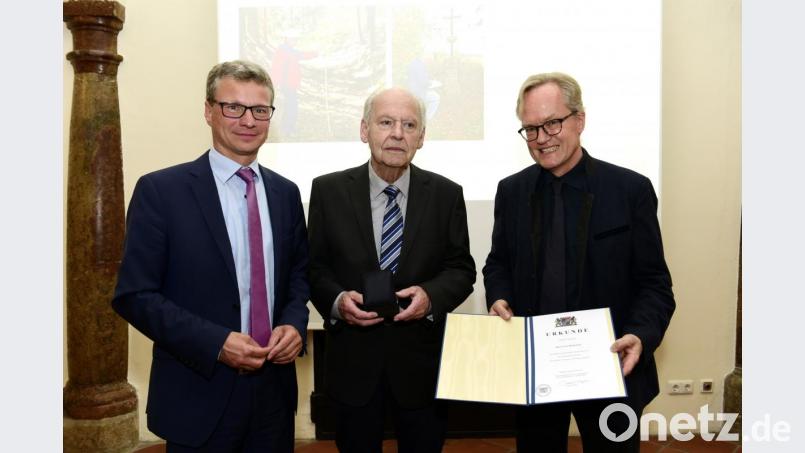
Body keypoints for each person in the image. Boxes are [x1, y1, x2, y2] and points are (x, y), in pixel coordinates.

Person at [112, 60, 310, 452]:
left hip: (274, 395)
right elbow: (134, 295)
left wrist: (293, 324)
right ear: (208, 110)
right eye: (232, 106)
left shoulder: (286, 193)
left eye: (260, 110)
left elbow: (298, 276)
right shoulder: (161, 192)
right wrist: (216, 342)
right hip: (197, 391)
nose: (247, 120)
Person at [483, 72, 675, 452]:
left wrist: (639, 334)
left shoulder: (630, 190)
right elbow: (498, 263)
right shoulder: (512, 191)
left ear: (579, 120)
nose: (542, 138)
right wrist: (499, 295)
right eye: (531, 128)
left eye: (552, 123)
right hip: (535, 374)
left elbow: (655, 284)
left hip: (612, 370)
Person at [307, 87, 476, 453]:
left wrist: (431, 297)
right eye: (386, 122)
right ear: (365, 130)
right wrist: (337, 301)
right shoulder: (327, 191)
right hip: (353, 365)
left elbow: (461, 269)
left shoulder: (446, 194)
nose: (397, 133)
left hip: (421, 367)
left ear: (421, 137)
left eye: (409, 124)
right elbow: (314, 267)